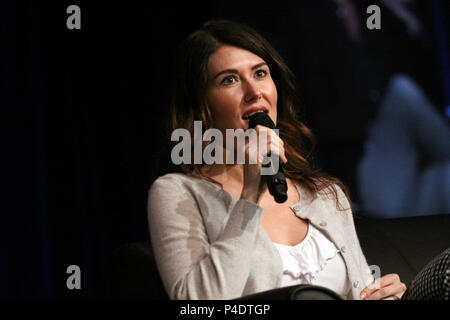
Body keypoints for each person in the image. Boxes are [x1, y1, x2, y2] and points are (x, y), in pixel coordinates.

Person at [147, 19, 408, 300]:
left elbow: (360, 290)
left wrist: (384, 295)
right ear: (201, 105)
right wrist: (249, 196)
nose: (253, 90)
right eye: (230, 80)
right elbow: (197, 302)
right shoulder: (177, 193)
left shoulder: (325, 195)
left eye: (260, 73)